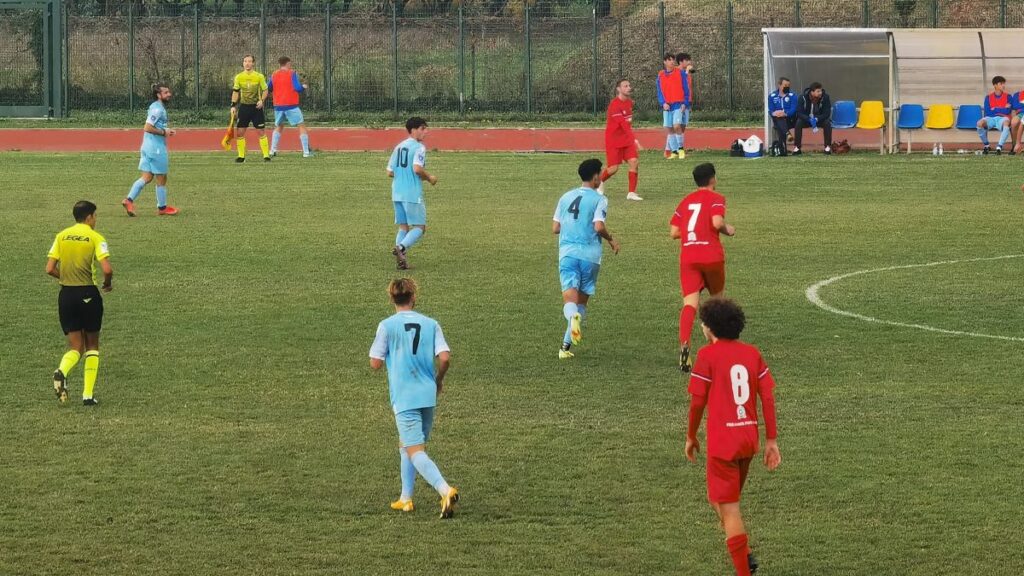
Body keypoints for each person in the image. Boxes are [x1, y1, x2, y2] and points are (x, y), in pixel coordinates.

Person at [685, 297, 780, 576]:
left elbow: (697, 402)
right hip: (748, 439)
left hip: (723, 443)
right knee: (720, 500)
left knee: (729, 510)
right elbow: (768, 397)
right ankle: (745, 554)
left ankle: (744, 567)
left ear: (710, 328)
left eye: (703, 323)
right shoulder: (752, 353)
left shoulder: (707, 356)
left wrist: (691, 436)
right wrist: (771, 440)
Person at [369, 278, 459, 518]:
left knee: (415, 450)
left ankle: (445, 490)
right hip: (427, 394)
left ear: (392, 298)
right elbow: (445, 358)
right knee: (407, 445)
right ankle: (406, 498)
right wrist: (439, 380)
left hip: (404, 396)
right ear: (413, 297)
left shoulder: (387, 326)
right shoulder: (431, 324)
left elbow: (375, 363)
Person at [46, 201, 113, 406]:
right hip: (88, 294)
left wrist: (66, 277)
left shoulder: (61, 236)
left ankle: (62, 370)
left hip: (66, 295)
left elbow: (49, 268)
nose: (95, 220)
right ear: (89, 217)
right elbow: (107, 269)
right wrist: (107, 284)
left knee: (75, 347)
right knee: (92, 345)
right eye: (95, 216)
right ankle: (87, 395)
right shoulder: (95, 237)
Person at [553, 159, 620, 359]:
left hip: (567, 254)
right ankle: (565, 348)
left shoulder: (565, 197)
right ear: (595, 177)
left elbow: (555, 228)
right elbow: (598, 226)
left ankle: (569, 329)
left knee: (570, 301)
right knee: (581, 304)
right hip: (590, 257)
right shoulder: (600, 199)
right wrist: (611, 239)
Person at [670, 163, 734, 372]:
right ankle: (717, 346)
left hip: (689, 256)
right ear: (713, 179)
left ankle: (684, 344)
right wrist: (728, 229)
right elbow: (717, 222)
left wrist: (694, 232)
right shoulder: (716, 198)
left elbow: (674, 232)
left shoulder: (686, 201)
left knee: (690, 304)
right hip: (711, 255)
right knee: (717, 302)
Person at [387, 117, 437, 270]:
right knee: (420, 227)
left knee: (403, 227)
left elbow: (390, 172)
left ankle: (401, 260)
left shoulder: (399, 147)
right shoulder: (419, 147)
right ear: (413, 130)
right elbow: (417, 168)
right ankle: (401, 248)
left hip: (397, 192)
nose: (426, 132)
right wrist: (430, 178)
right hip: (411, 193)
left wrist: (403, 175)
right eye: (423, 128)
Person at [122, 83, 178, 216]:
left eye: (169, 92)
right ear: (158, 95)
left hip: (147, 147)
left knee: (146, 177)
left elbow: (153, 125)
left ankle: (128, 200)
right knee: (162, 178)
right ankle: (162, 208)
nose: (169, 94)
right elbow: (147, 127)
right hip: (156, 149)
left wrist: (165, 130)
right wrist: (164, 132)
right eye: (166, 92)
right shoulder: (158, 109)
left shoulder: (155, 106)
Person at [600, 79, 643, 201]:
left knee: (634, 162)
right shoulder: (614, 105)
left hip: (626, 139)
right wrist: (635, 140)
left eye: (629, 85)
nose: (629, 88)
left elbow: (627, 124)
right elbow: (623, 124)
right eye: (625, 86)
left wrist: (631, 139)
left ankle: (631, 193)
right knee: (613, 169)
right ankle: (598, 182)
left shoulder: (629, 102)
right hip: (614, 140)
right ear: (618, 89)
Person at [268, 56, 312, 158]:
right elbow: (297, 88)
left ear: (280, 64)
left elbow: (269, 87)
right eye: (290, 63)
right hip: (291, 105)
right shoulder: (292, 73)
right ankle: (306, 152)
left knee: (279, 126)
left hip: (278, 105)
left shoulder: (274, 74)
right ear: (288, 63)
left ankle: (272, 150)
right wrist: (303, 87)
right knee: (301, 125)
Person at [230, 54, 271, 163]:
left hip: (256, 108)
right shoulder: (239, 77)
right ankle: (241, 156)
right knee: (240, 132)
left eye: (249, 61)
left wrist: (262, 101)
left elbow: (265, 90)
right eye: (245, 61)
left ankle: (266, 156)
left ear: (253, 63)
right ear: (243, 63)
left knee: (261, 131)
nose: (247, 63)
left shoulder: (259, 76)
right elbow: (235, 92)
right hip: (244, 108)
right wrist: (233, 105)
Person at [656, 53, 686, 159]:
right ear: (664, 62)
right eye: (669, 60)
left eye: (673, 59)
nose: (672, 61)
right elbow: (659, 91)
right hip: (667, 106)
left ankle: (681, 149)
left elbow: (686, 88)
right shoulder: (661, 75)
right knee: (669, 128)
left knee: (676, 126)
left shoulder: (680, 73)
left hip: (678, 104)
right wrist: (663, 103)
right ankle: (674, 152)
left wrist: (685, 103)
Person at [793, 81, 832, 155]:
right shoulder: (802, 97)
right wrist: (808, 119)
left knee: (827, 123)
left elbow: (827, 113)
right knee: (798, 123)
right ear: (812, 92)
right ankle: (797, 147)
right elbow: (799, 112)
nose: (820, 93)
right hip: (807, 119)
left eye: (821, 91)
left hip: (819, 119)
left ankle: (827, 147)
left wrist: (817, 119)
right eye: (818, 91)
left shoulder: (825, 97)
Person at [978, 75, 1012, 155]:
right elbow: (988, 112)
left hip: (1003, 118)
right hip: (990, 118)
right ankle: (986, 145)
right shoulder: (988, 97)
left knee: (1006, 123)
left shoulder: (1008, 96)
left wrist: (995, 109)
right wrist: (1002, 108)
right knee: (979, 123)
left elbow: (1008, 111)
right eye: (1001, 84)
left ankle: (999, 147)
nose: (1003, 85)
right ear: (995, 85)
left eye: (1004, 83)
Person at [767, 77, 798, 156]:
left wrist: (785, 113)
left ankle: (782, 149)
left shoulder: (793, 96)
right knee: (779, 119)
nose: (787, 87)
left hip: (790, 119)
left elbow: (793, 109)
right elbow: (771, 110)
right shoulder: (772, 96)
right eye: (785, 85)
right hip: (778, 119)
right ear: (779, 85)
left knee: (780, 124)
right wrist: (774, 113)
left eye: (788, 85)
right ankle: (787, 135)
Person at [675, 52, 694, 158]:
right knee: (676, 126)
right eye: (687, 60)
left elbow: (689, 88)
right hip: (679, 102)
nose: (689, 62)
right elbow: (681, 85)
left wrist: (689, 102)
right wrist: (686, 72)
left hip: (686, 102)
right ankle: (675, 150)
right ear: (681, 62)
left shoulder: (688, 72)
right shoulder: (677, 72)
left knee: (683, 126)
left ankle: (680, 149)